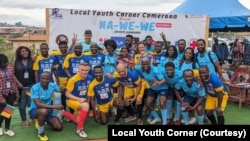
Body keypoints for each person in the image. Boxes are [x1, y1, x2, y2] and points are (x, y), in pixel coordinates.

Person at [62, 62, 93, 138]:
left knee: (79, 121)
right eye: (82, 70)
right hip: (71, 100)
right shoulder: (73, 79)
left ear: (88, 70)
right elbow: (67, 94)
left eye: (86, 70)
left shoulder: (90, 78)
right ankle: (80, 130)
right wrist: (79, 99)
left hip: (82, 101)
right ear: (78, 70)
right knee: (86, 106)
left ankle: (63, 113)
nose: (84, 72)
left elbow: (90, 91)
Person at [29, 71, 63, 141]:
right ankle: (41, 132)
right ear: (40, 78)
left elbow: (60, 90)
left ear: (50, 79)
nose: (45, 80)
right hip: (35, 110)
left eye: (47, 78)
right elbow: (38, 105)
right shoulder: (35, 88)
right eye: (43, 78)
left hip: (48, 110)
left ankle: (43, 120)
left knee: (58, 127)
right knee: (43, 111)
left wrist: (62, 89)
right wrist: (55, 107)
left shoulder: (52, 85)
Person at [135, 58, 168, 125]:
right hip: (153, 88)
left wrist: (158, 83)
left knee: (162, 104)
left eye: (147, 64)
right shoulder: (140, 68)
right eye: (143, 64)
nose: (145, 65)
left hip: (162, 87)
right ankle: (157, 118)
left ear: (150, 63)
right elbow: (134, 67)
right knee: (148, 104)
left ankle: (164, 122)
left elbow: (164, 80)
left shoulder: (155, 70)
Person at [13, 46, 36, 127]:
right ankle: (24, 120)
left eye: (26, 51)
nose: (24, 52)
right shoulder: (16, 62)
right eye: (22, 51)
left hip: (31, 84)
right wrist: (18, 83)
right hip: (21, 86)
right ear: (19, 53)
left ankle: (32, 118)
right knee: (22, 104)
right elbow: (13, 74)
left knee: (31, 103)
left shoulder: (32, 60)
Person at [0, 54, 20, 137]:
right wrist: (0, 98)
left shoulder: (10, 69)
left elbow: (13, 82)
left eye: (6, 62)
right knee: (1, 112)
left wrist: (17, 93)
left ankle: (7, 129)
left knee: (8, 111)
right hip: (2, 94)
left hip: (11, 93)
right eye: (3, 63)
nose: (6, 64)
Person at [50, 40, 70, 113]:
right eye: (61, 47)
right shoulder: (54, 54)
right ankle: (59, 114)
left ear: (67, 47)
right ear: (59, 47)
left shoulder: (70, 54)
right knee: (59, 97)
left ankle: (68, 114)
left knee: (68, 96)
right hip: (59, 78)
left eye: (65, 47)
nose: (63, 49)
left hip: (68, 78)